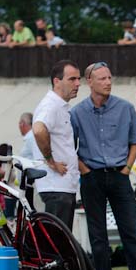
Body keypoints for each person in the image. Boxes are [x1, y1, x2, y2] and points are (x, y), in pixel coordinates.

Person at [72, 61, 136, 270]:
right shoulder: (77, 113)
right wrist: (85, 171)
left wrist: (127, 168)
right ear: (90, 82)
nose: (108, 82)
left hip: (120, 175)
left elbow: (135, 141)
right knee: (97, 236)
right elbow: (69, 147)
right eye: (102, 78)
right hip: (92, 177)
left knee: (132, 232)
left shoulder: (125, 108)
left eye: (110, 77)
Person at [32, 60, 82, 230]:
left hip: (63, 185)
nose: (78, 84)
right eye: (72, 79)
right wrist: (50, 160)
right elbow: (39, 130)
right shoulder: (51, 105)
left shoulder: (59, 106)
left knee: (61, 239)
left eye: (78, 79)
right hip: (56, 186)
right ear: (56, 81)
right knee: (56, 241)